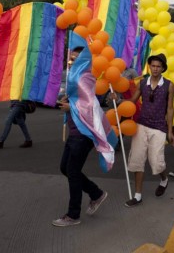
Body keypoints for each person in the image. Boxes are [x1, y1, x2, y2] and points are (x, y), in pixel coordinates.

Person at [53, 46, 112, 227]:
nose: (71, 61)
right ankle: (96, 193)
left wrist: (71, 107)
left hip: (83, 134)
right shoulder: (74, 77)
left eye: (75, 58)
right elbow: (78, 100)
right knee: (66, 168)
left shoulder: (85, 77)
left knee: (72, 171)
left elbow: (91, 106)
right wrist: (66, 100)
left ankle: (73, 215)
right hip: (74, 132)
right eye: (70, 58)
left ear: (84, 60)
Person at [117, 53, 174, 206]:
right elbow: (133, 101)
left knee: (156, 162)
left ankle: (164, 178)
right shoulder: (142, 83)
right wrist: (118, 100)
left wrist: (170, 131)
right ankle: (137, 196)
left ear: (163, 68)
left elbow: (169, 109)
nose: (155, 69)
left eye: (158, 66)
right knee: (137, 159)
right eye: (153, 66)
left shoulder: (169, 85)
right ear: (149, 67)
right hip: (141, 124)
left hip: (159, 127)